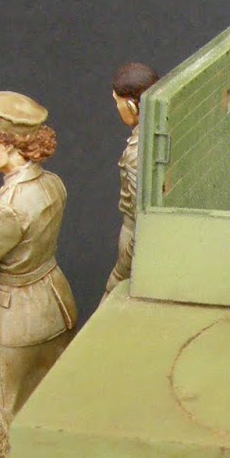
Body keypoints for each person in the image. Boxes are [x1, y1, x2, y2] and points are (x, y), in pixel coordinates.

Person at [0, 91, 78, 424]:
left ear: (8, 144)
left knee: (14, 408)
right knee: (58, 393)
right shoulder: (53, 184)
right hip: (56, 301)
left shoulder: (8, 208)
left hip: (19, 317)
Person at [103, 61, 160, 297]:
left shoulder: (137, 153)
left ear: (130, 105)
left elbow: (141, 222)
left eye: (117, 102)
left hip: (135, 237)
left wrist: (120, 273)